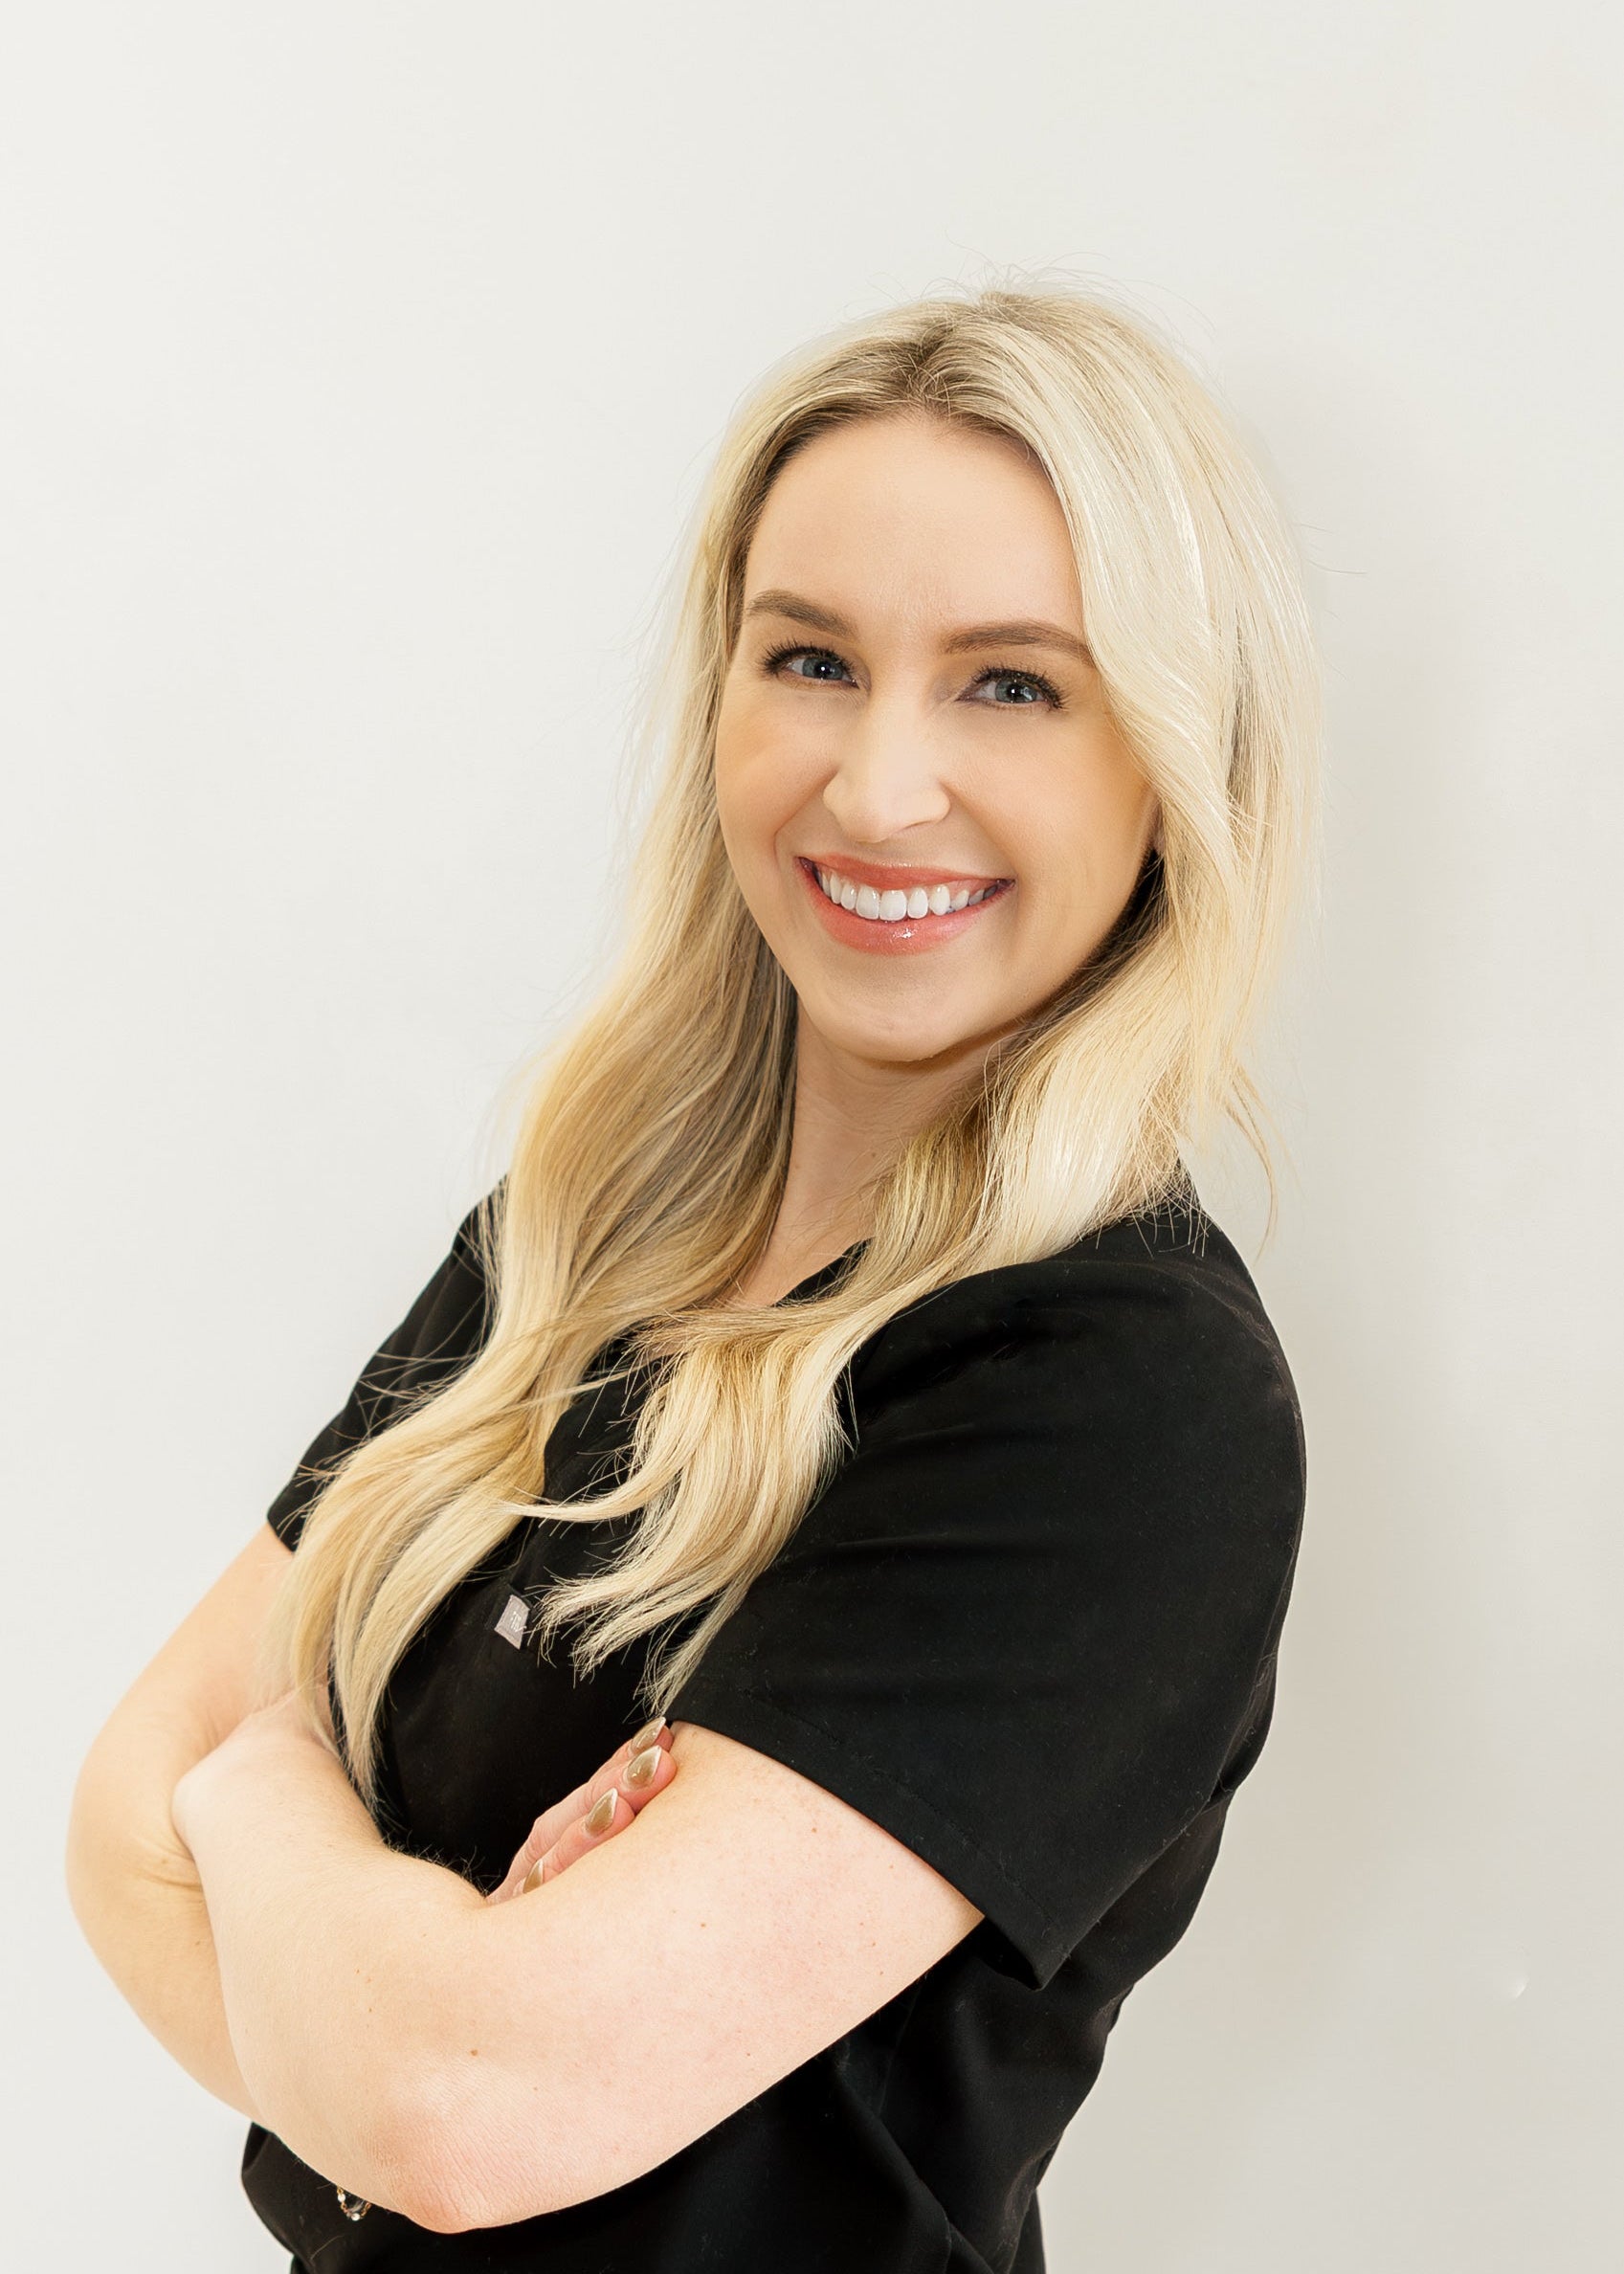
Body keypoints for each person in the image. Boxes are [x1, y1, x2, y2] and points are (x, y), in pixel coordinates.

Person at [64, 279, 1322, 2272]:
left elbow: (459, 2102)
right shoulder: (579, 1245)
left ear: (1167, 763)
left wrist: (269, 1806)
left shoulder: (1115, 1386)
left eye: (1011, 685)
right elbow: (116, 1825)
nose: (879, 785)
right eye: (811, 658)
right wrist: (397, 1971)